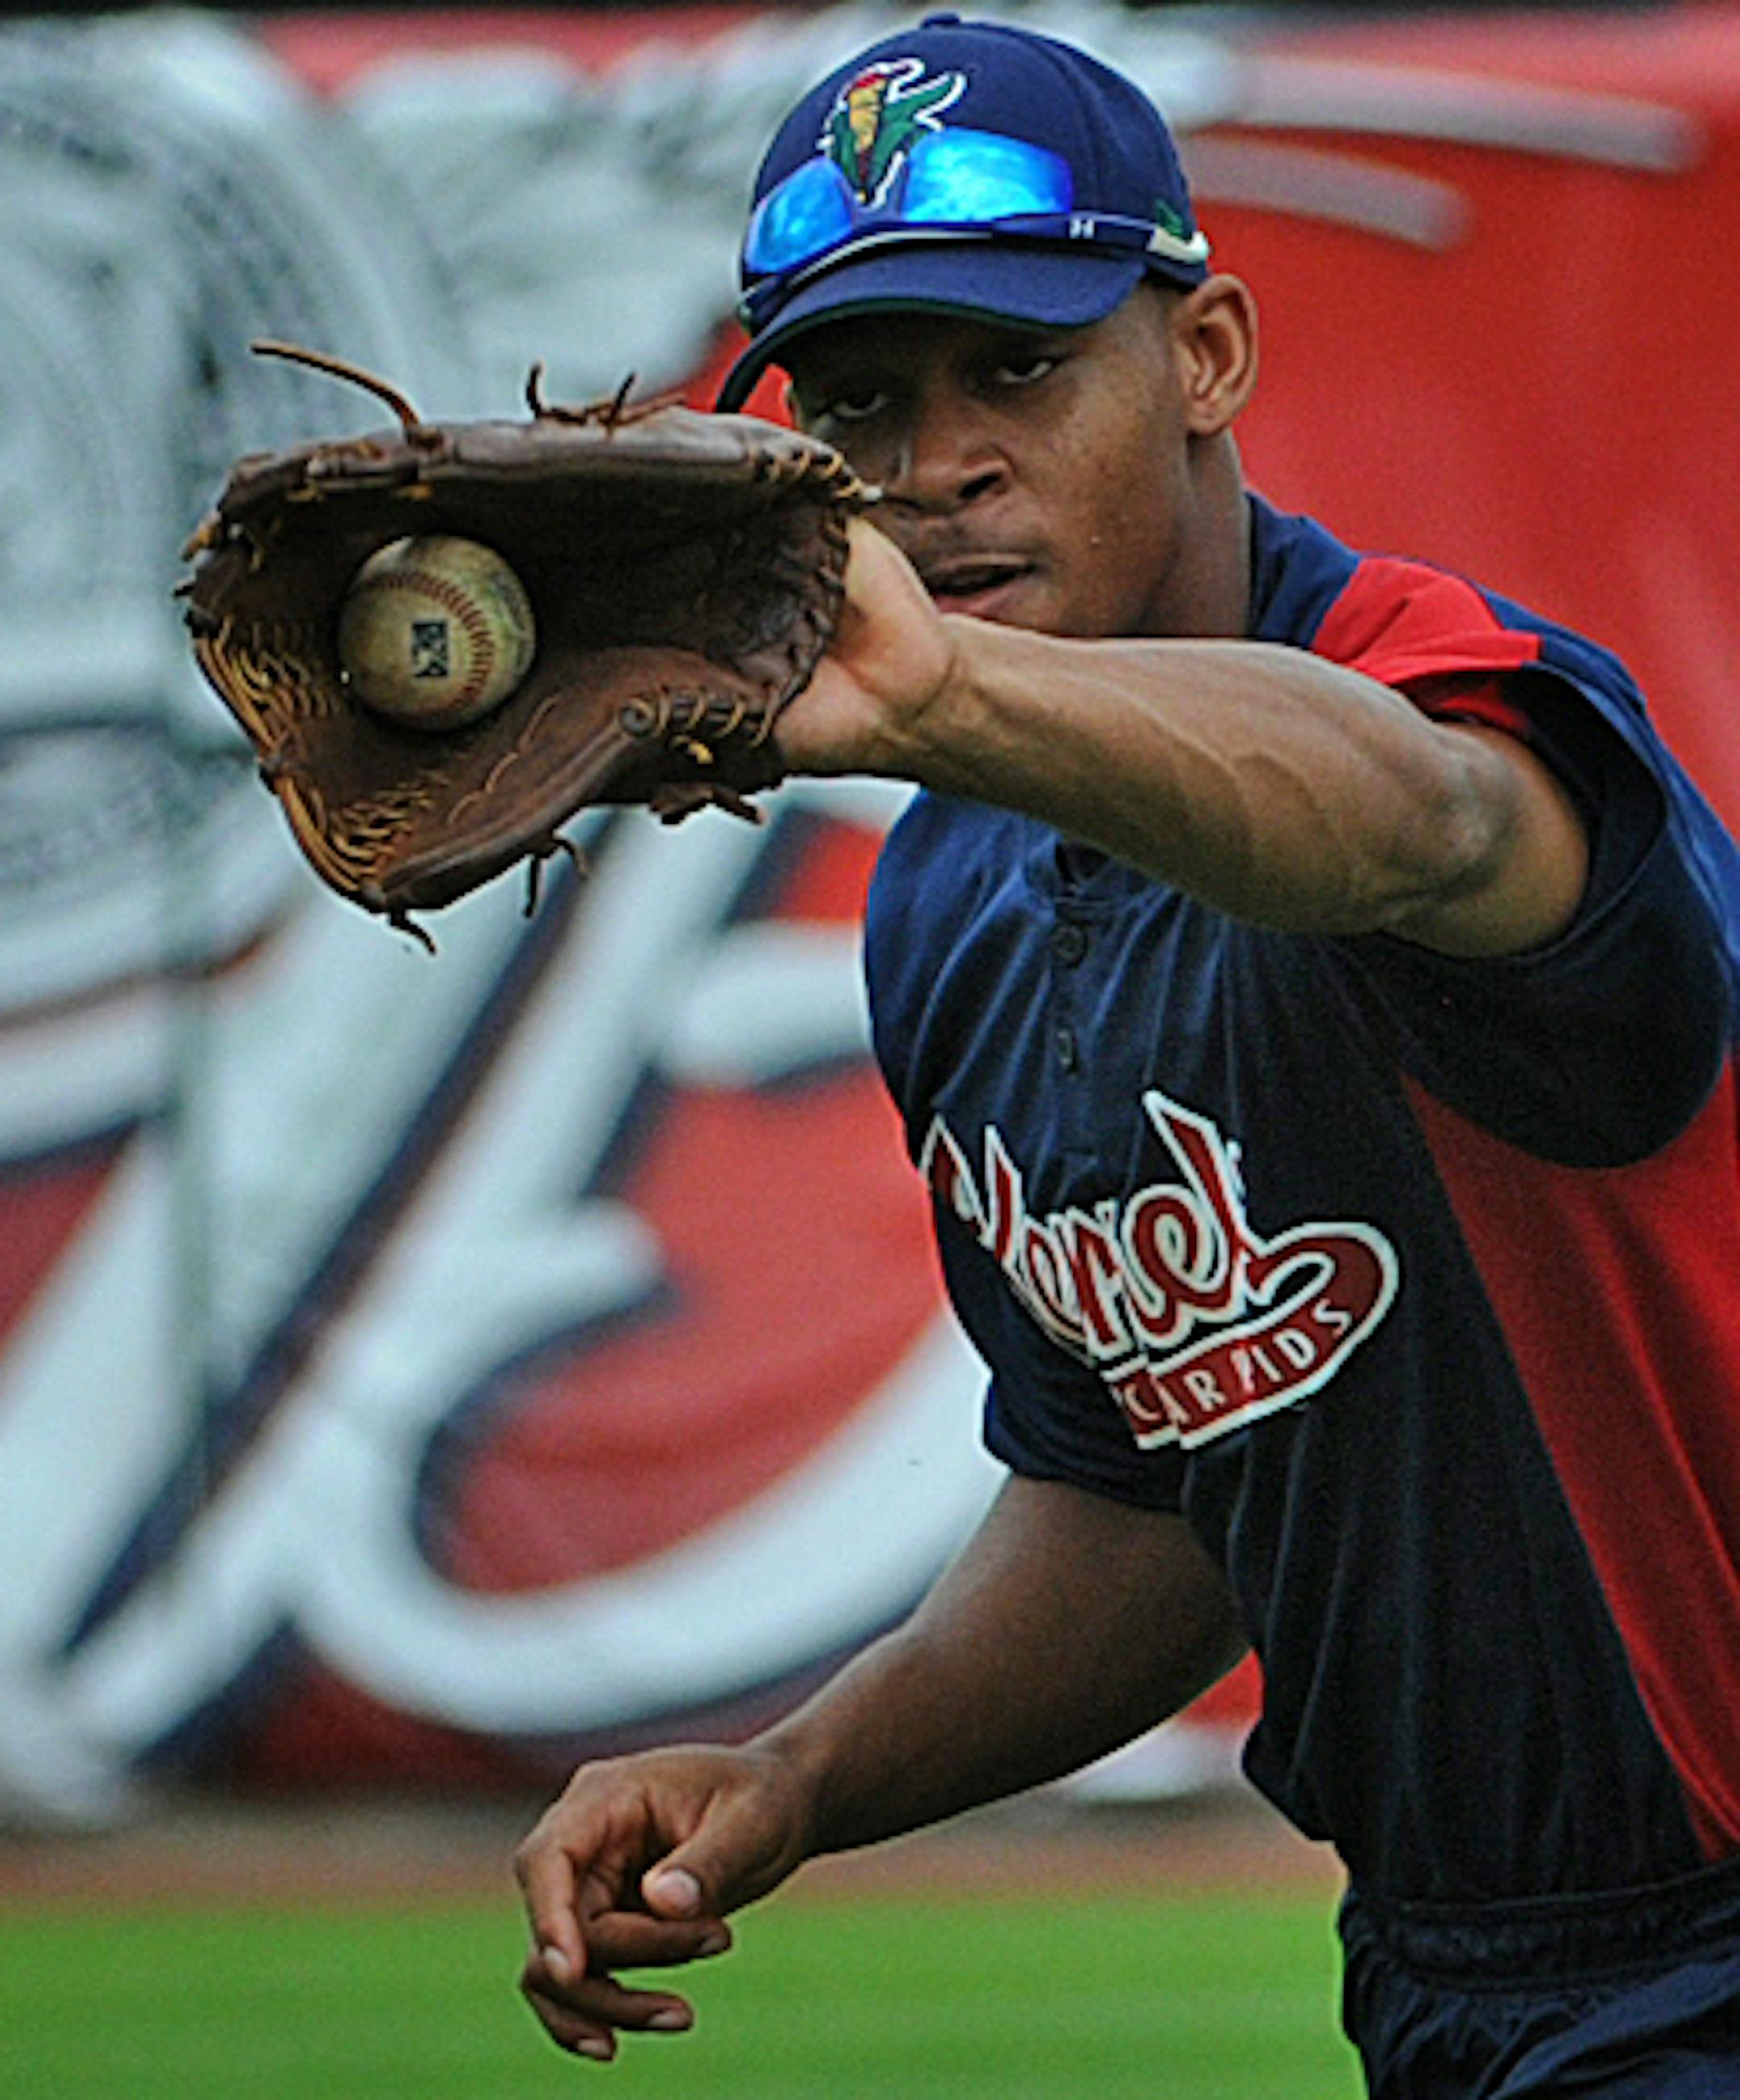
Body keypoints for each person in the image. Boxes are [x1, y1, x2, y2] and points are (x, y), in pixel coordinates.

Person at [514, 14, 1740, 2093]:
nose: (936, 461)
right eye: (861, 400)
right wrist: (803, 1774)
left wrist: (945, 693)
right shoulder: (952, 910)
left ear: (1211, 357)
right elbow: (1165, 1496)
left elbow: (1414, 822)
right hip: (1446, 1983)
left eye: (1019, 363)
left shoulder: (1446, 705)